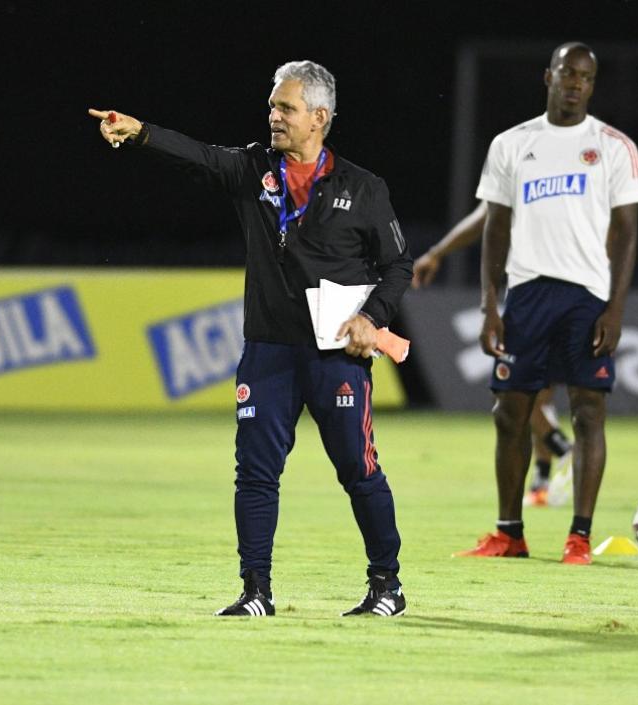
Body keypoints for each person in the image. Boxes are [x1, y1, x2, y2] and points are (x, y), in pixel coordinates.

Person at [89, 60, 412, 617]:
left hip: (335, 354)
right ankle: (255, 590)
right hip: (267, 351)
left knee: (358, 471)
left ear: (319, 117)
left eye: (285, 108)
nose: (273, 116)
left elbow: (399, 265)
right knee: (256, 474)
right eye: (272, 106)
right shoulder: (252, 170)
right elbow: (198, 155)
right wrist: (140, 132)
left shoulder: (363, 188)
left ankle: (387, 585)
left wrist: (372, 318)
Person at [472, 42, 638, 563]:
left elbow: (627, 233)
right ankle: (509, 534)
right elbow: (495, 228)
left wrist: (615, 308)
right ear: (547, 75)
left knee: (589, 412)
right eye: (567, 73)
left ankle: (579, 537)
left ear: (592, 86)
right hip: (526, 294)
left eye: (585, 77)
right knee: (510, 412)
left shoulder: (614, 147)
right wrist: (489, 305)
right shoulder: (511, 143)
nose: (575, 83)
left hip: (587, 297)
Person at [411, 204, 574, 514]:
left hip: (534, 295)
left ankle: (563, 449)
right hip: (573, 293)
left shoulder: (520, 163)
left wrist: (437, 252)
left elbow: (483, 216)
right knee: (541, 395)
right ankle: (541, 481)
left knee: (512, 390)